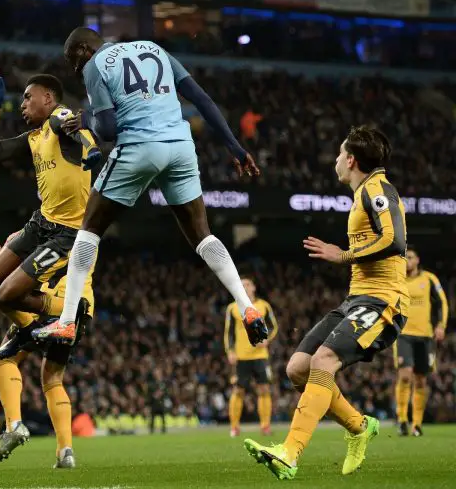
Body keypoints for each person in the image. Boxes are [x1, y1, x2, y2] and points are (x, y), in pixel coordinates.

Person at [31, 28, 268, 348]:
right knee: (203, 234)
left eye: (74, 61)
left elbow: (108, 129)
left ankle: (67, 322)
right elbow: (201, 99)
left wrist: (86, 119)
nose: (75, 69)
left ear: (85, 49)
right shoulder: (154, 49)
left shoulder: (95, 65)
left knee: (88, 230)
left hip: (139, 148)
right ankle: (246, 306)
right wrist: (235, 148)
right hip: (180, 147)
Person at [244, 125, 409, 479]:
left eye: (339, 153)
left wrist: (344, 255)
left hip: (384, 301)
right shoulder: (362, 192)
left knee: (323, 360)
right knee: (298, 369)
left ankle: (289, 452)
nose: (335, 159)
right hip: (357, 298)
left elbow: (395, 241)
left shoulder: (379, 189)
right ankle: (359, 426)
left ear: (351, 160)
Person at [0, 71, 98, 356]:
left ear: (47, 98)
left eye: (27, 97)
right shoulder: (35, 136)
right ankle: (27, 330)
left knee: (9, 293)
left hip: (67, 233)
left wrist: (90, 148)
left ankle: (73, 311)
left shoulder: (59, 117)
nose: (22, 104)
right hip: (41, 222)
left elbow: (71, 126)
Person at [0, 231, 93, 468]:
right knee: (53, 379)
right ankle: (65, 452)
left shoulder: (44, 225)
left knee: (4, 358)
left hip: (45, 303)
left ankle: (14, 425)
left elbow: (22, 271)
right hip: (78, 308)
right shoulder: (90, 229)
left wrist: (1, 255)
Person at [395, 246, 448, 437]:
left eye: (410, 257)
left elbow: (442, 302)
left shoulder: (429, 279)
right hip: (403, 335)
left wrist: (441, 325)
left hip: (425, 336)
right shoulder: (397, 280)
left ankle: (416, 424)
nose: (407, 261)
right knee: (405, 376)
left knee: (420, 381)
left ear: (417, 260)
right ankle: (402, 420)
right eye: (404, 258)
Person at [225, 276, 278, 437]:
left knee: (264, 389)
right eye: (242, 285)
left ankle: (265, 426)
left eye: (248, 284)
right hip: (241, 356)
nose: (245, 287)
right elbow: (229, 332)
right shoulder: (233, 308)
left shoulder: (264, 306)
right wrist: (230, 351)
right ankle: (234, 427)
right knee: (238, 390)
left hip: (260, 355)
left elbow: (273, 327)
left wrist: (266, 339)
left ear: (254, 287)